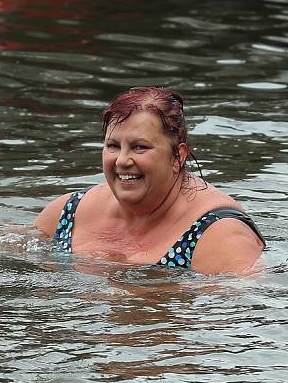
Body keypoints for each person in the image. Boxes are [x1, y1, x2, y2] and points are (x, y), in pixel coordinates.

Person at [34, 86, 265, 275]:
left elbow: (240, 316)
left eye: (140, 147)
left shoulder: (220, 234)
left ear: (178, 155)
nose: (122, 160)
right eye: (113, 146)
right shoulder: (69, 212)